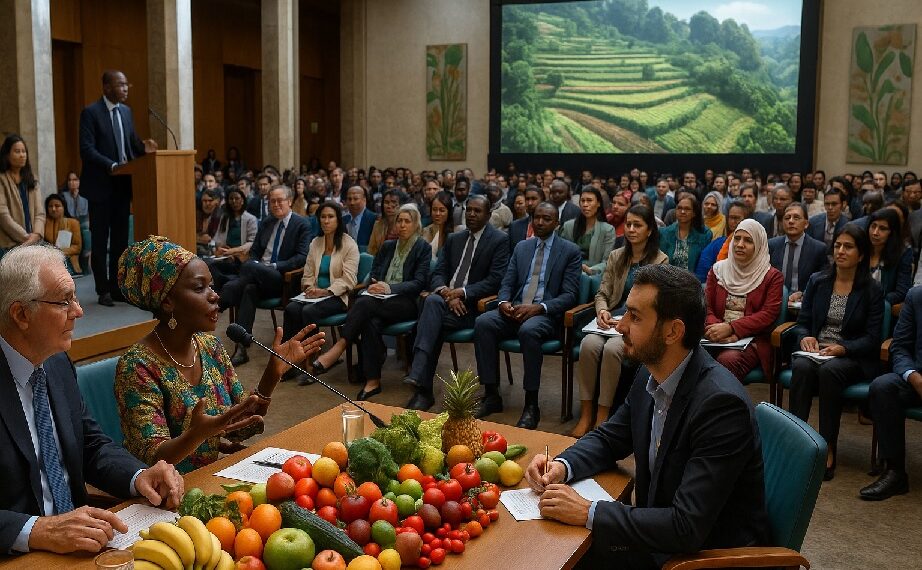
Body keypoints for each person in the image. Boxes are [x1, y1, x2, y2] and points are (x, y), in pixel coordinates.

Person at [525, 264, 769, 568]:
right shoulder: (650, 374)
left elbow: (686, 527)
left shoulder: (720, 406)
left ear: (673, 331)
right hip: (662, 539)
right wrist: (562, 465)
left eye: (635, 317)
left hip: (701, 558)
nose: (620, 325)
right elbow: (610, 437)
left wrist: (588, 511)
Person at [0, 244, 183, 555]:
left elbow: (90, 445)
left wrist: (139, 476)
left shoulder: (56, 363)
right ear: (21, 314)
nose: (79, 310)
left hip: (83, 548)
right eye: (64, 301)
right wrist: (37, 530)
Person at [115, 237, 324, 473]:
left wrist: (271, 375)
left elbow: (238, 428)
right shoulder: (138, 366)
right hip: (164, 497)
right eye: (199, 288)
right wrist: (197, 435)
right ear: (167, 301)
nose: (214, 296)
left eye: (211, 286)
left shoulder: (210, 347)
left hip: (211, 481)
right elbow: (152, 459)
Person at [473, 202, 581, 429]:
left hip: (545, 316)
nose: (540, 222)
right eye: (537, 217)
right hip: (515, 310)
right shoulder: (522, 247)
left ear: (557, 223)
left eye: (547, 218)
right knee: (483, 322)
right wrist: (503, 303)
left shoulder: (569, 251)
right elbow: (507, 282)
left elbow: (570, 295)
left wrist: (539, 308)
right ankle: (491, 394)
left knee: (529, 330)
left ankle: (531, 405)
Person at [788, 224, 883, 481]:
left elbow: (873, 339)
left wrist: (844, 348)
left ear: (861, 254)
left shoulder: (871, 290)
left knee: (830, 371)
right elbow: (804, 321)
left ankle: (828, 447)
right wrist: (806, 336)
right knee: (801, 367)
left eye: (848, 247)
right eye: (838, 245)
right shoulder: (818, 281)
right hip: (816, 352)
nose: (840, 251)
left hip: (850, 357)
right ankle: (796, 442)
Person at [312, 204, 431, 400]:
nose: (401, 225)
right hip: (379, 300)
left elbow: (419, 283)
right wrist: (376, 285)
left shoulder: (422, 248)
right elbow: (375, 272)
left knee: (364, 304)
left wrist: (389, 288)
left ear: (416, 224)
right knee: (369, 321)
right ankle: (372, 381)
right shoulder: (387, 246)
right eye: (399, 221)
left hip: (406, 303)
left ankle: (341, 345)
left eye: (407, 221)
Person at [405, 196, 509, 411]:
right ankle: (423, 387)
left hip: (473, 308)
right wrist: (446, 293)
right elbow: (438, 273)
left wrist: (460, 294)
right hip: (445, 304)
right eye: (468, 210)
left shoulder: (499, 240)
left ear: (488, 215)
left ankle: (421, 385)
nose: (471, 214)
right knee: (433, 305)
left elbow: (495, 280)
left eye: (477, 211)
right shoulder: (454, 239)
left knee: (430, 315)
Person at [572, 205, 667, 437]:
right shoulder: (616, 256)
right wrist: (602, 311)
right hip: (610, 321)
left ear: (649, 230)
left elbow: (654, 305)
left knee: (614, 349)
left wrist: (626, 319)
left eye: (638, 225)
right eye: (628, 224)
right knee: (589, 345)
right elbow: (602, 293)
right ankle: (586, 414)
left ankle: (602, 417)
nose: (631, 229)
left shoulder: (660, 260)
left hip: (637, 325)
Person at [79, 70, 157, 306]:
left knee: (121, 241)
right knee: (101, 240)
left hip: (123, 185)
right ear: (106, 87)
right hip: (100, 186)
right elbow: (87, 149)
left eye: (126, 85)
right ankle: (102, 289)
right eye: (120, 85)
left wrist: (144, 147)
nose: (125, 89)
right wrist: (111, 165)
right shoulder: (91, 113)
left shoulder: (126, 112)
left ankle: (117, 287)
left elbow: (131, 144)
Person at [220, 185, 313, 365]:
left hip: (281, 278)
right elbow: (254, 252)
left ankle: (222, 301)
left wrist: (274, 265)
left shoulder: (302, 224)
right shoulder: (267, 222)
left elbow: (302, 257)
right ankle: (241, 347)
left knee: (247, 269)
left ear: (289, 201)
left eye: (280, 200)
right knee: (248, 289)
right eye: (272, 201)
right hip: (257, 277)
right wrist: (255, 264)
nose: (276, 204)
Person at [281, 202, 359, 385]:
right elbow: (307, 273)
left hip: (337, 297)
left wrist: (325, 291)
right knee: (291, 308)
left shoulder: (349, 244)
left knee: (309, 312)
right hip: (314, 296)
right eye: (323, 217)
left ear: (338, 220)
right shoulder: (316, 243)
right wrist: (309, 288)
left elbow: (349, 279)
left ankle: (313, 363)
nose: (326, 221)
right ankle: (290, 361)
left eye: (330, 217)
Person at [861, 287, 922, 500]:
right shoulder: (917, 296)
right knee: (883, 387)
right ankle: (895, 473)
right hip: (918, 380)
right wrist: (913, 376)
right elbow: (900, 347)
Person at [703, 220, 783, 381]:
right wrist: (716, 328)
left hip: (752, 341)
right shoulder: (717, 270)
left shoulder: (772, 276)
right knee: (687, 355)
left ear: (759, 246)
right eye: (737, 238)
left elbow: (768, 314)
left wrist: (732, 329)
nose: (740, 244)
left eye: (748, 240)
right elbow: (705, 306)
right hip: (714, 335)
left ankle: (726, 405)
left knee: (727, 361)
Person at [768, 203, 828, 304]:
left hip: (804, 302)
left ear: (806, 224)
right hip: (775, 301)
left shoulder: (818, 248)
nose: (791, 221)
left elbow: (822, 282)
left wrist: (803, 295)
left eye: (796, 218)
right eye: (787, 218)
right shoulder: (772, 245)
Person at [206, 187, 259, 292]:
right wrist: (220, 248)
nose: (234, 201)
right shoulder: (225, 217)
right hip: (226, 256)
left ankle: (224, 288)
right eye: (231, 199)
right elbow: (217, 239)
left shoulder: (250, 219)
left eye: (237, 198)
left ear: (243, 200)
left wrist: (234, 251)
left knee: (222, 278)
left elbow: (252, 242)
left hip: (242, 257)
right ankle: (223, 287)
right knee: (209, 264)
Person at [0, 135, 45, 252]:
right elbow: (3, 215)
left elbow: (40, 213)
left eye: (24, 151)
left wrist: (36, 235)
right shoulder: (2, 179)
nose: (22, 155)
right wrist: (26, 238)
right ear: (7, 155)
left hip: (33, 242)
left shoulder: (32, 179)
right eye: (17, 151)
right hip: (9, 244)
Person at [558, 187, 616, 276]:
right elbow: (561, 255)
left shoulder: (608, 230)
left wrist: (590, 270)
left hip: (595, 276)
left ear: (598, 203)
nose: (585, 204)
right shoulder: (568, 226)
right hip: (569, 272)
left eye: (589, 200)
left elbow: (607, 261)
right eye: (582, 201)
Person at [866, 208, 913, 305]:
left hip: (880, 307)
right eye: (873, 226)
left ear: (892, 232)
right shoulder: (859, 247)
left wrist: (875, 301)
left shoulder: (903, 253)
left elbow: (902, 292)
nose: (875, 232)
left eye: (882, 228)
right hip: (854, 305)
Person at [695, 200, 748, 282]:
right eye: (731, 218)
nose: (733, 221)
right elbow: (702, 271)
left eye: (737, 218)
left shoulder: (753, 245)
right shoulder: (718, 244)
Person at [659, 194, 712, 273]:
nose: (682, 212)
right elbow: (660, 264)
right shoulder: (664, 233)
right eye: (679, 208)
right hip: (667, 280)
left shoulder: (704, 234)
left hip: (693, 281)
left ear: (694, 213)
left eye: (687, 209)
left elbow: (703, 264)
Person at [43, 194, 83, 275]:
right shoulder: (43, 223)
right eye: (50, 206)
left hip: (68, 260)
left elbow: (77, 247)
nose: (53, 209)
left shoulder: (73, 223)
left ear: (64, 207)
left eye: (57, 206)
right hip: (47, 260)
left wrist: (59, 252)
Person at [367, 189, 403, 255]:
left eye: (394, 202)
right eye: (386, 202)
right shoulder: (378, 225)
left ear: (401, 205)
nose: (389, 206)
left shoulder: (404, 225)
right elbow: (371, 250)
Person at [342, 186, 377, 250]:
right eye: (349, 199)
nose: (352, 203)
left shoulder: (374, 219)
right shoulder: (343, 220)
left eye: (355, 199)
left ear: (364, 200)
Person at [421, 191, 453, 262]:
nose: (437, 214)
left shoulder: (456, 232)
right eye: (434, 210)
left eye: (442, 210)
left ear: (449, 212)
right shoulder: (426, 230)